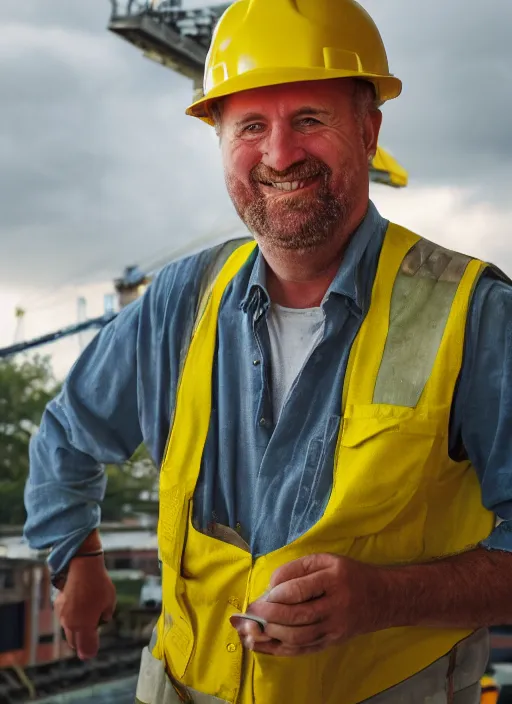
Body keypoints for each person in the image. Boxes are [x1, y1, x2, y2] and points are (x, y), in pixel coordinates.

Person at [24, 0, 512, 702]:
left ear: (369, 131)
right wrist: (78, 557)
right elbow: (67, 436)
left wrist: (383, 599)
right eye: (251, 126)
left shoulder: (474, 317)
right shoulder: (179, 303)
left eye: (310, 119)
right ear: (220, 140)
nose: (279, 154)